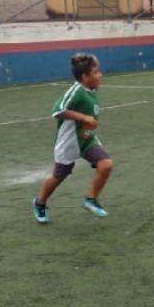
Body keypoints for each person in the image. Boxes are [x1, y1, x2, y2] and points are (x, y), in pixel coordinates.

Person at [32, 54, 113, 224]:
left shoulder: (92, 89)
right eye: (96, 72)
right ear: (85, 77)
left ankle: (90, 199)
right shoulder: (76, 91)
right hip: (68, 143)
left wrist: (88, 126)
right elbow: (57, 111)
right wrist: (84, 118)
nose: (100, 75)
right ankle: (40, 202)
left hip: (87, 140)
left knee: (105, 165)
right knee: (58, 176)